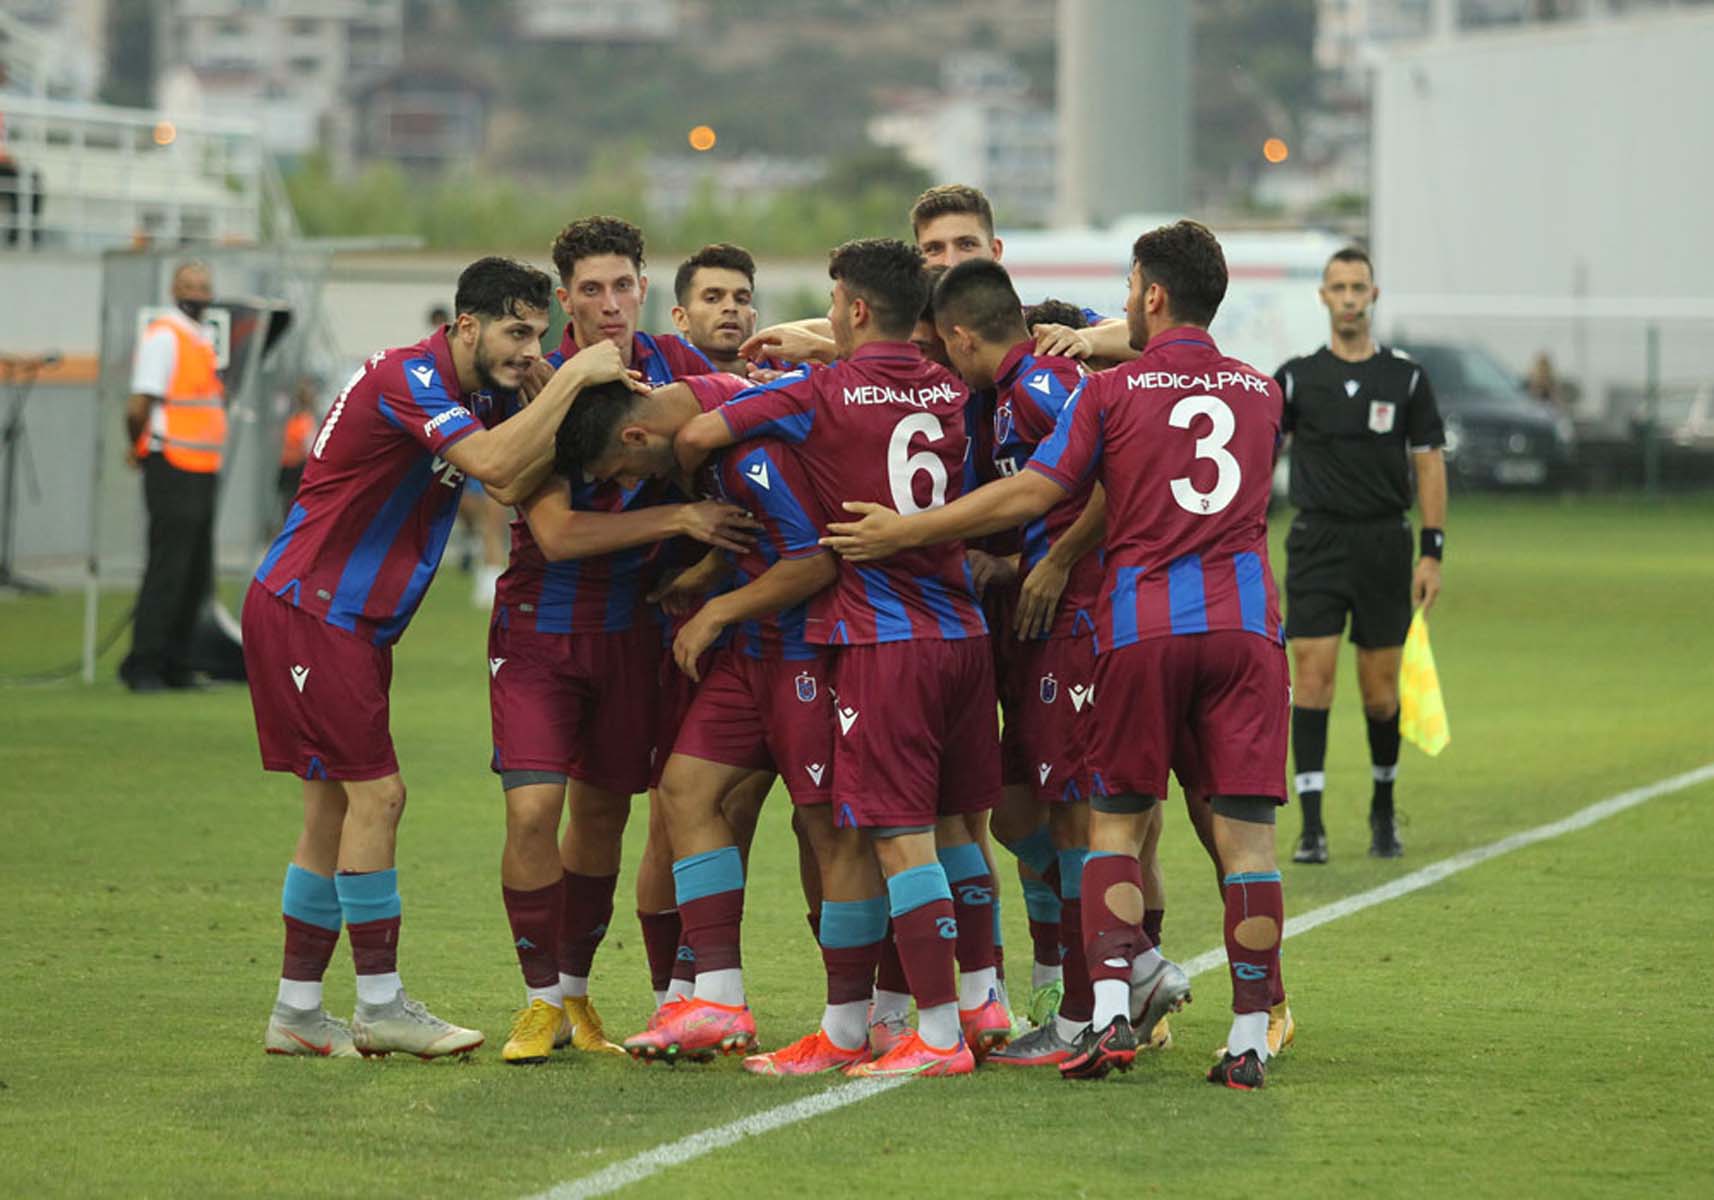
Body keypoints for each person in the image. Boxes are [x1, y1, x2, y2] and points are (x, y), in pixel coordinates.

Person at [824, 220, 1287, 1090]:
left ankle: (1104, 1013)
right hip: (1247, 625)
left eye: (1130, 288)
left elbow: (1038, 488)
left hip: (1138, 623)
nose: (1122, 302)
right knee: (1248, 843)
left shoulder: (1106, 392)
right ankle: (1253, 1034)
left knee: (1110, 825)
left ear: (1154, 294)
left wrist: (910, 532)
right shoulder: (1263, 391)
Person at [246, 256, 645, 1059]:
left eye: (538, 334)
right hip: (313, 609)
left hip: (343, 619)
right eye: (516, 333)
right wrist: (570, 378)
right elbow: (495, 466)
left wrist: (550, 391)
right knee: (379, 797)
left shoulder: (478, 389)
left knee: (330, 812)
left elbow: (510, 479)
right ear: (467, 326)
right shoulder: (410, 378)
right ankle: (380, 1004)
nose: (529, 349)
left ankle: (296, 1012)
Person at [674, 239, 1005, 1077]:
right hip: (964, 633)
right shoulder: (951, 386)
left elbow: (702, 431)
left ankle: (937, 1037)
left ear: (856, 308)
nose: (828, 315)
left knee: (896, 838)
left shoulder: (819, 391)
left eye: (831, 303)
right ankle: (951, 1004)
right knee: (952, 826)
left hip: (885, 639)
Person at [487, 215, 737, 1064]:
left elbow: (752, 412)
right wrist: (681, 519)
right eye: (589, 290)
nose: (608, 304)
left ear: (643, 287)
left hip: (636, 630)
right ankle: (536, 1002)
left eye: (622, 285)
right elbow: (556, 533)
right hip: (541, 628)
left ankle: (578, 996)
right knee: (533, 810)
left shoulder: (678, 369)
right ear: (565, 300)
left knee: (605, 814)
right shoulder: (538, 382)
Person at [556, 375, 844, 1067]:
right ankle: (717, 997)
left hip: (809, 650)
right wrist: (713, 571)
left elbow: (813, 561)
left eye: (620, 472)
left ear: (637, 437)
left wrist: (717, 610)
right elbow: (767, 529)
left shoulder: (745, 452)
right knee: (685, 789)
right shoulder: (708, 447)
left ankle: (861, 1017)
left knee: (826, 829)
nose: (629, 487)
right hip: (753, 653)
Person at [1275, 247, 1447, 864]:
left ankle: (1382, 809)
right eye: (1339, 288)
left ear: (1374, 296)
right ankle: (1311, 827)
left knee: (1379, 692)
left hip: (1383, 545)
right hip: (1316, 542)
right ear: (1323, 296)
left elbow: (1429, 463)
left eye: (1358, 288)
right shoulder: (1295, 378)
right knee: (1312, 679)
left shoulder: (1405, 378)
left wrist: (1431, 551)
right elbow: (1259, 455)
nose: (1349, 298)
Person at [120, 262, 226, 693]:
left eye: (203, 286)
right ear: (174, 290)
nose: (197, 294)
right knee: (169, 567)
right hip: (171, 461)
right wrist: (138, 447)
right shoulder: (165, 336)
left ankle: (179, 662)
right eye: (189, 286)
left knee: (195, 570)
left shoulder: (201, 339)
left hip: (201, 465)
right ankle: (144, 663)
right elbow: (138, 405)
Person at [670, 244, 757, 375]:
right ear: (681, 318)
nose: (731, 307)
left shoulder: (780, 376)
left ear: (753, 319)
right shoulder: (652, 374)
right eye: (712, 299)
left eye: (741, 300)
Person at [277, 377, 318, 527]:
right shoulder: (306, 422)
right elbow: (310, 448)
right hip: (298, 470)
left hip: (287, 467)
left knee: (286, 505)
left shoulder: (292, 421)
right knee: (295, 506)